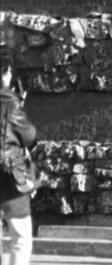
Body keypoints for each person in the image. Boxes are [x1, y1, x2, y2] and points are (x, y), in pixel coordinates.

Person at [2, 49, 38, 265]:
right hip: (9, 175)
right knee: (20, 236)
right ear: (6, 73)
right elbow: (29, 136)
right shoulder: (9, 101)